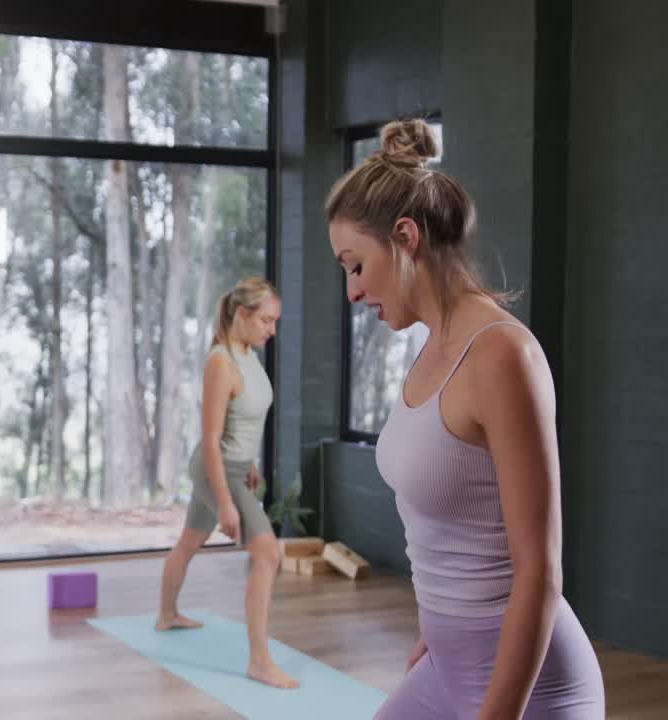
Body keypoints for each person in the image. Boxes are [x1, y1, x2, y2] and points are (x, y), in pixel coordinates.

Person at [326, 118, 604, 719]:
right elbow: (454, 523)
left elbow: (540, 567)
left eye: (354, 265)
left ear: (404, 236)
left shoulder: (503, 355)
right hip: (448, 668)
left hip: (532, 691)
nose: (351, 291)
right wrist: (442, 628)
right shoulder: (430, 350)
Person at [155, 276, 298, 690]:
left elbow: (244, 421)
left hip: (235, 467)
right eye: (267, 320)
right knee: (268, 554)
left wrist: (250, 461)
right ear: (242, 314)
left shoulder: (249, 353)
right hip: (215, 469)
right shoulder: (221, 364)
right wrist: (225, 502)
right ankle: (259, 661)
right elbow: (213, 441)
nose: (273, 329)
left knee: (189, 541)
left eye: (275, 321)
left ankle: (166, 616)